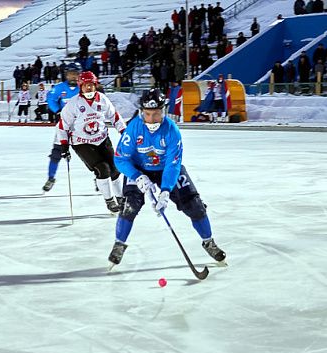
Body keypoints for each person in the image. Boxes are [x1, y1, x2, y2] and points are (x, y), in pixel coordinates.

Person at [107, 88, 226, 267]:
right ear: (141, 112)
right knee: (129, 206)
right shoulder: (133, 128)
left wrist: (165, 191)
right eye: (148, 114)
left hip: (165, 170)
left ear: (163, 111)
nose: (152, 119)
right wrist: (137, 176)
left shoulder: (171, 130)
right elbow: (121, 159)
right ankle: (119, 244)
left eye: (157, 114)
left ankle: (209, 241)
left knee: (195, 206)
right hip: (139, 169)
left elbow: (173, 164)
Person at [57, 71, 126, 213]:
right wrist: (64, 146)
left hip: (101, 139)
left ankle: (121, 197)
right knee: (103, 168)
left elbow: (115, 117)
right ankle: (109, 200)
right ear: (80, 86)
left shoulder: (102, 99)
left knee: (115, 169)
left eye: (91, 85)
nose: (89, 88)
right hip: (82, 143)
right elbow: (63, 125)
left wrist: (124, 133)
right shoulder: (73, 104)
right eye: (86, 86)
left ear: (95, 85)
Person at [41, 62, 82, 192]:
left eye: (76, 74)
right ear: (66, 75)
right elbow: (51, 98)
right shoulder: (59, 88)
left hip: (82, 126)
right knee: (56, 154)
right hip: (64, 126)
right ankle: (51, 178)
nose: (73, 77)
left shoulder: (83, 87)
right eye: (71, 74)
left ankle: (99, 178)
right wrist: (57, 111)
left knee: (92, 153)